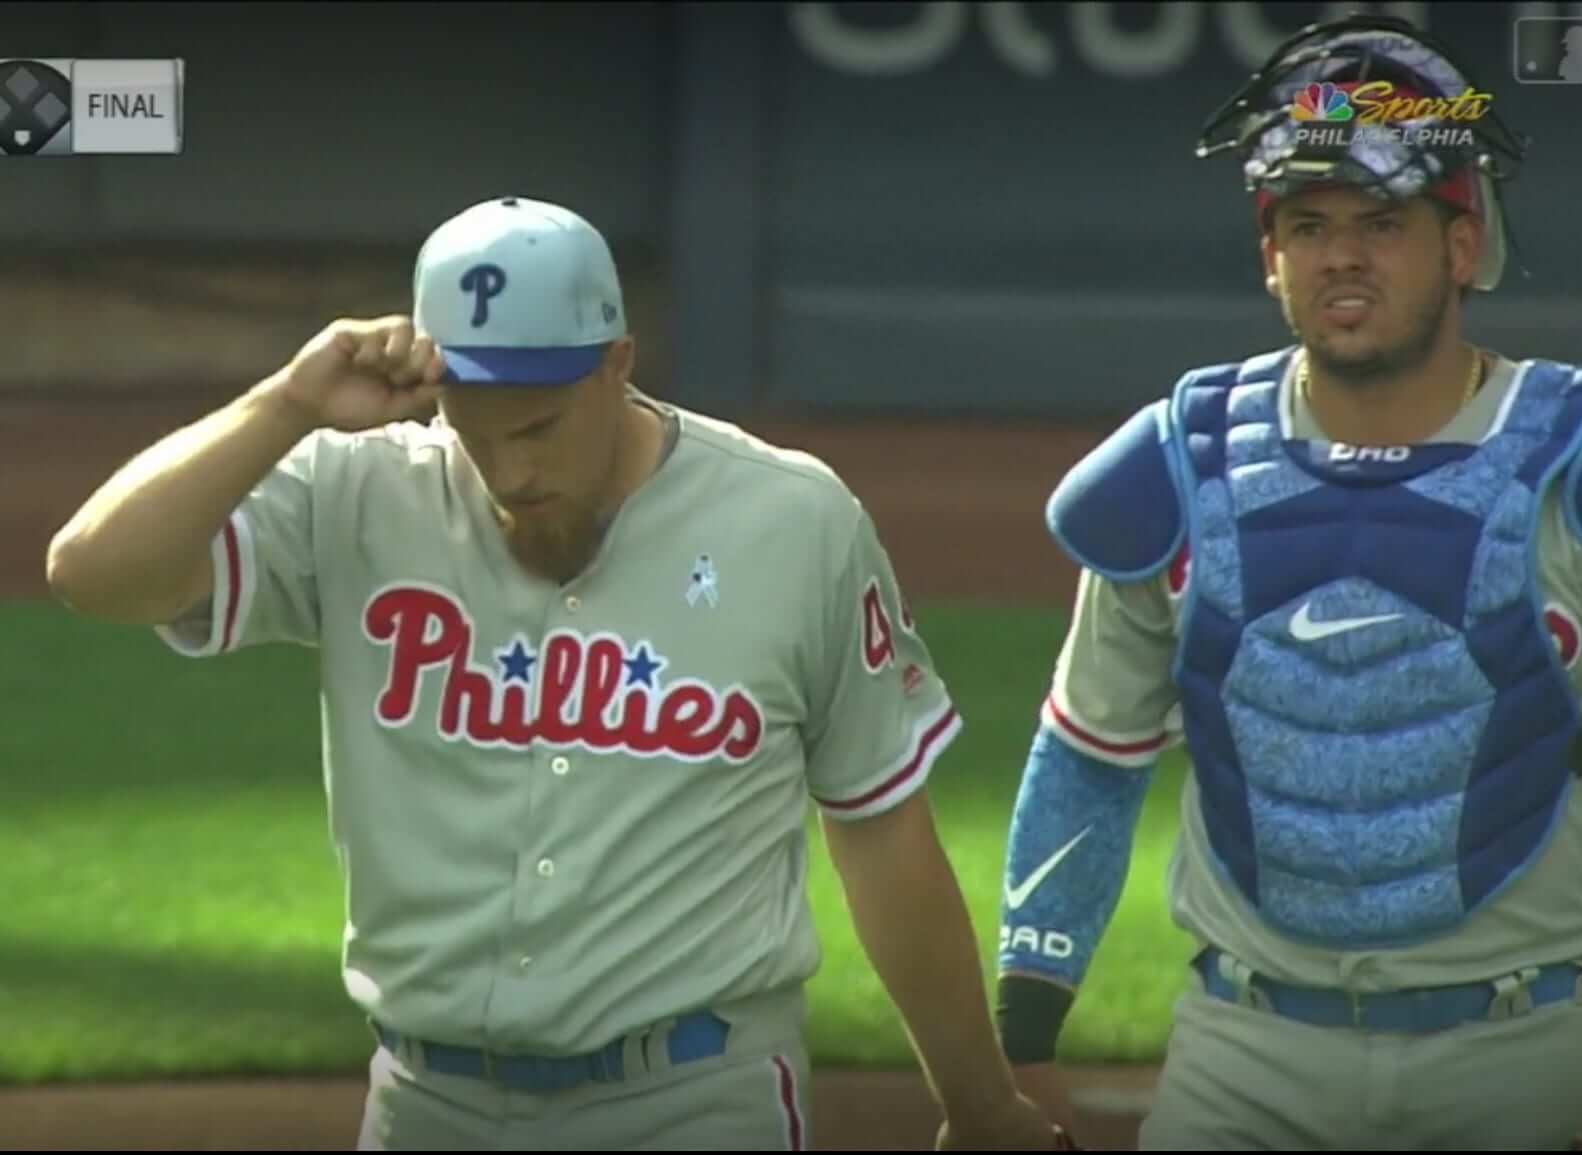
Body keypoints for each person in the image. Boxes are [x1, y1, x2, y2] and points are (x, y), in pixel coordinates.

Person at [45, 195, 1063, 1151]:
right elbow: (95, 574)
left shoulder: (792, 522)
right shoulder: (357, 491)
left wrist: (979, 1106)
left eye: (538, 428)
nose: (513, 471)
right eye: (475, 432)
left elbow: (879, 821)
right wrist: (287, 403)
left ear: (618, 362)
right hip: (424, 1101)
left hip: (698, 1100)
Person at [989, 15, 1582, 1151]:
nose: (1343, 254)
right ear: (1270, 256)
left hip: (1517, 1051)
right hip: (1242, 1051)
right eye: (1309, 224)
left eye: (1382, 223)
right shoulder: (1181, 462)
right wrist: (1023, 1037)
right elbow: (1088, 758)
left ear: (1460, 246)